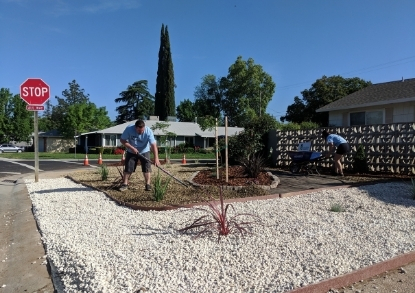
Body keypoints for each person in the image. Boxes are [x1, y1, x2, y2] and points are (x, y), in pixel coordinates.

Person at [119, 120, 160, 191]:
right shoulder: (129, 129)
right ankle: (125, 184)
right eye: (139, 131)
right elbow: (122, 140)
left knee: (147, 168)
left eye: (142, 130)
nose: (141, 132)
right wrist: (132, 148)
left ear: (144, 127)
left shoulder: (148, 131)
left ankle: (148, 185)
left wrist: (156, 158)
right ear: (135, 128)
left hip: (145, 151)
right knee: (128, 168)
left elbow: (153, 145)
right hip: (131, 151)